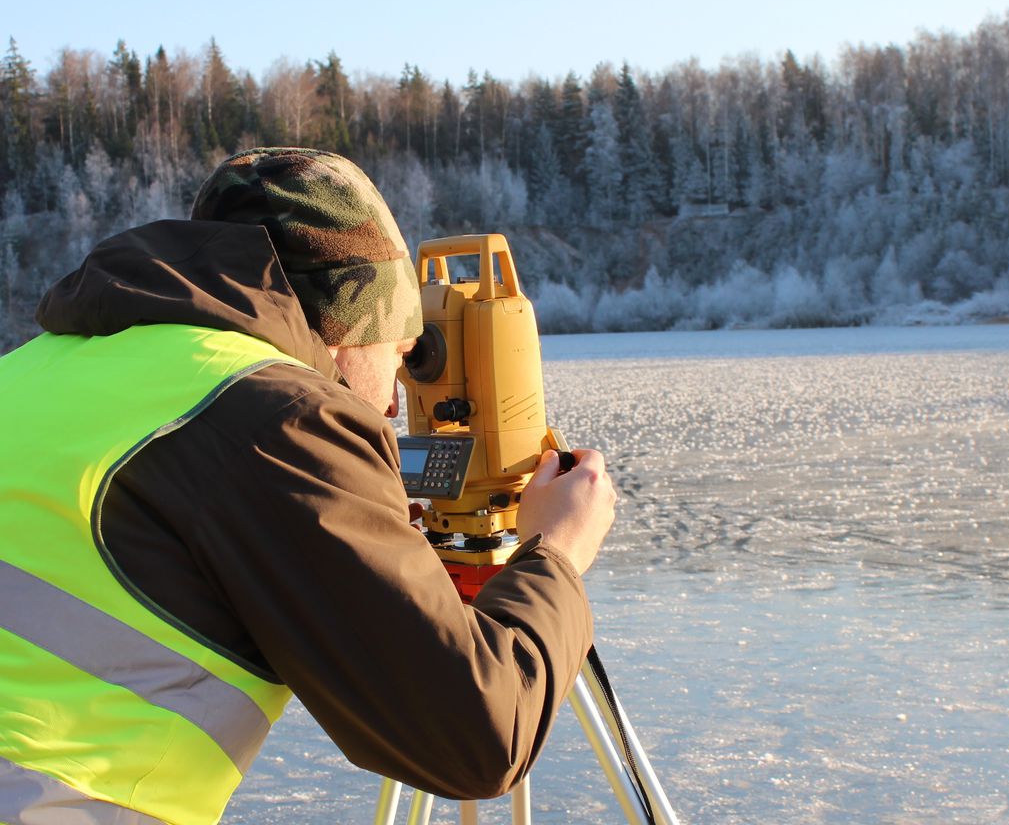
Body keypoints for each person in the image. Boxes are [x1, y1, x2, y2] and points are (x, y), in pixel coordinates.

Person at [0, 147, 616, 825]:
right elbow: (475, 737)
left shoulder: (33, 370)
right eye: (401, 354)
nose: (392, 401)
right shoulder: (279, 417)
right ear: (351, 326)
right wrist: (556, 552)